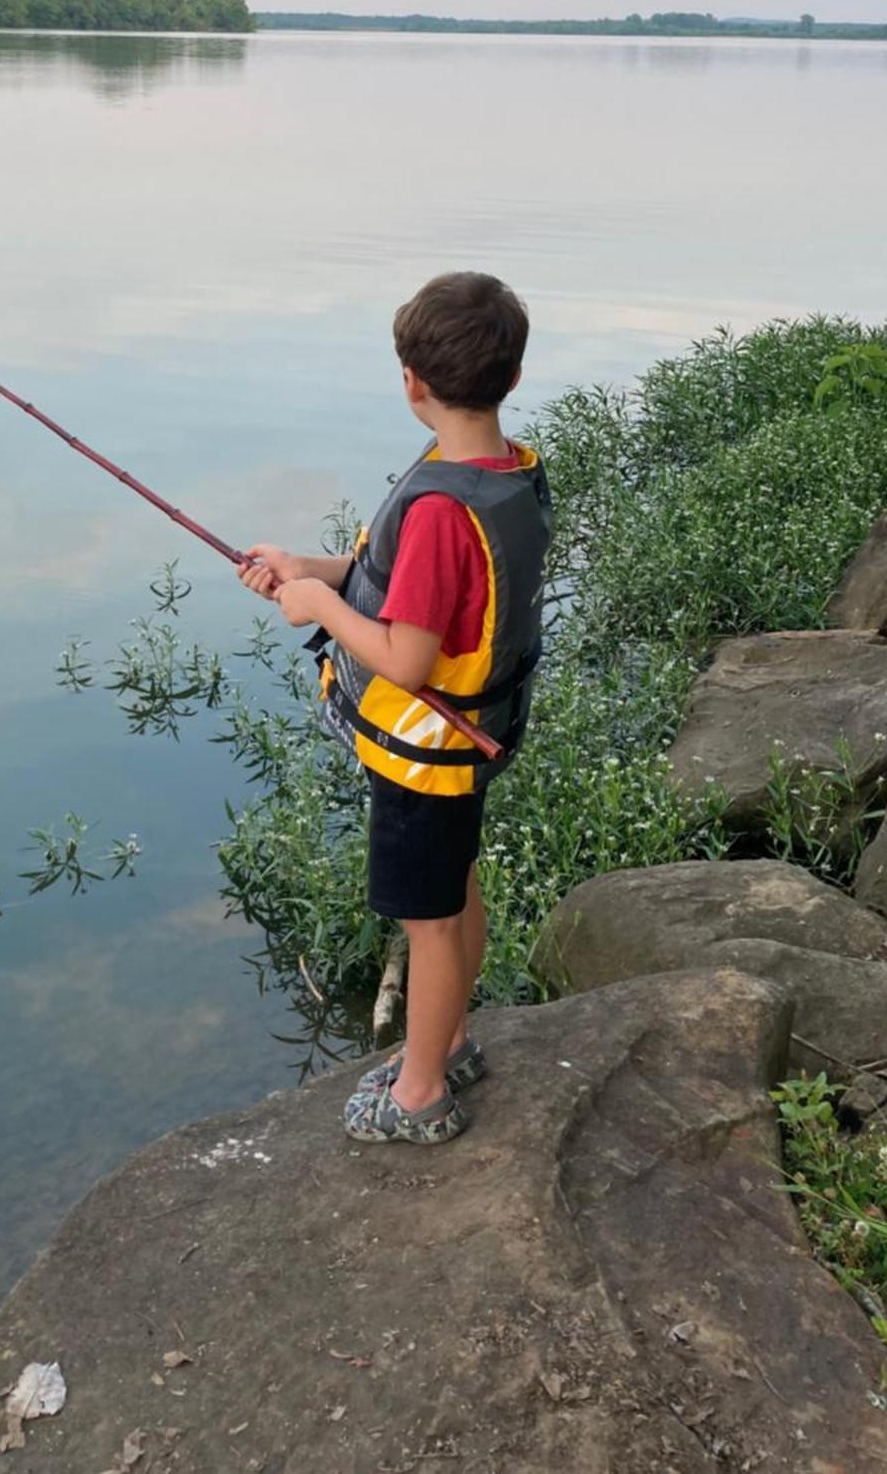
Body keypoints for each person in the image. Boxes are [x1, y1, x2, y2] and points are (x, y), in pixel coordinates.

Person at [240, 271, 551, 1145]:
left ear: (412, 381)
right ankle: (445, 1040)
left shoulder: (443, 509)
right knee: (455, 890)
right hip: (472, 742)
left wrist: (320, 611)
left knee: (429, 917)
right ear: (512, 378)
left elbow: (406, 661)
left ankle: (422, 1093)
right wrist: (311, 566)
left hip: (427, 753)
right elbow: (395, 579)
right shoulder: (497, 473)